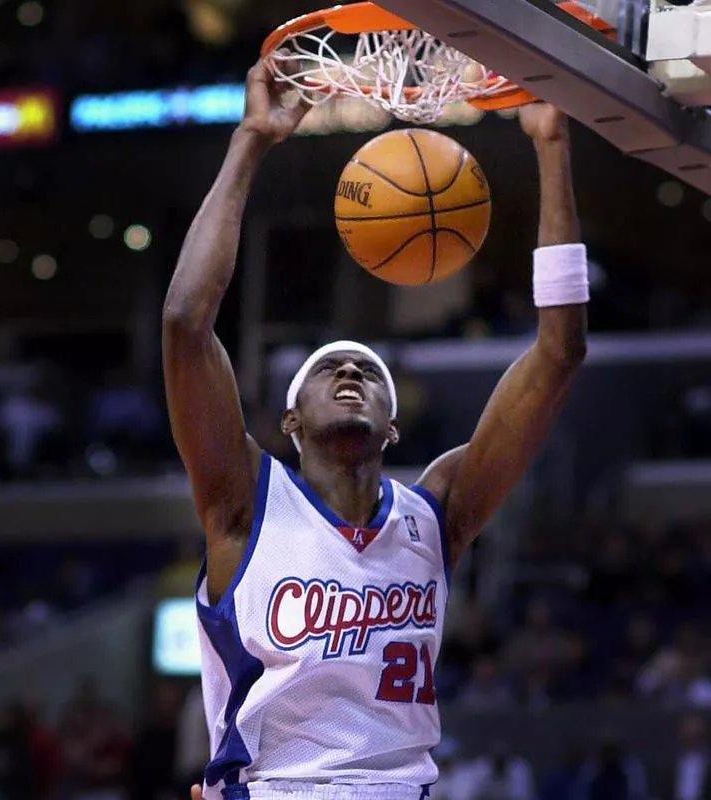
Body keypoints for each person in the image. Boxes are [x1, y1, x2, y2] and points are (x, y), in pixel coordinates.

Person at [164, 58, 587, 800]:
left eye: (368, 370)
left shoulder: (438, 512)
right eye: (330, 370)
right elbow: (185, 325)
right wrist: (251, 142)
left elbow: (560, 353)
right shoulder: (244, 504)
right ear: (290, 421)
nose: (352, 373)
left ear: (392, 427)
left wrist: (551, 148)